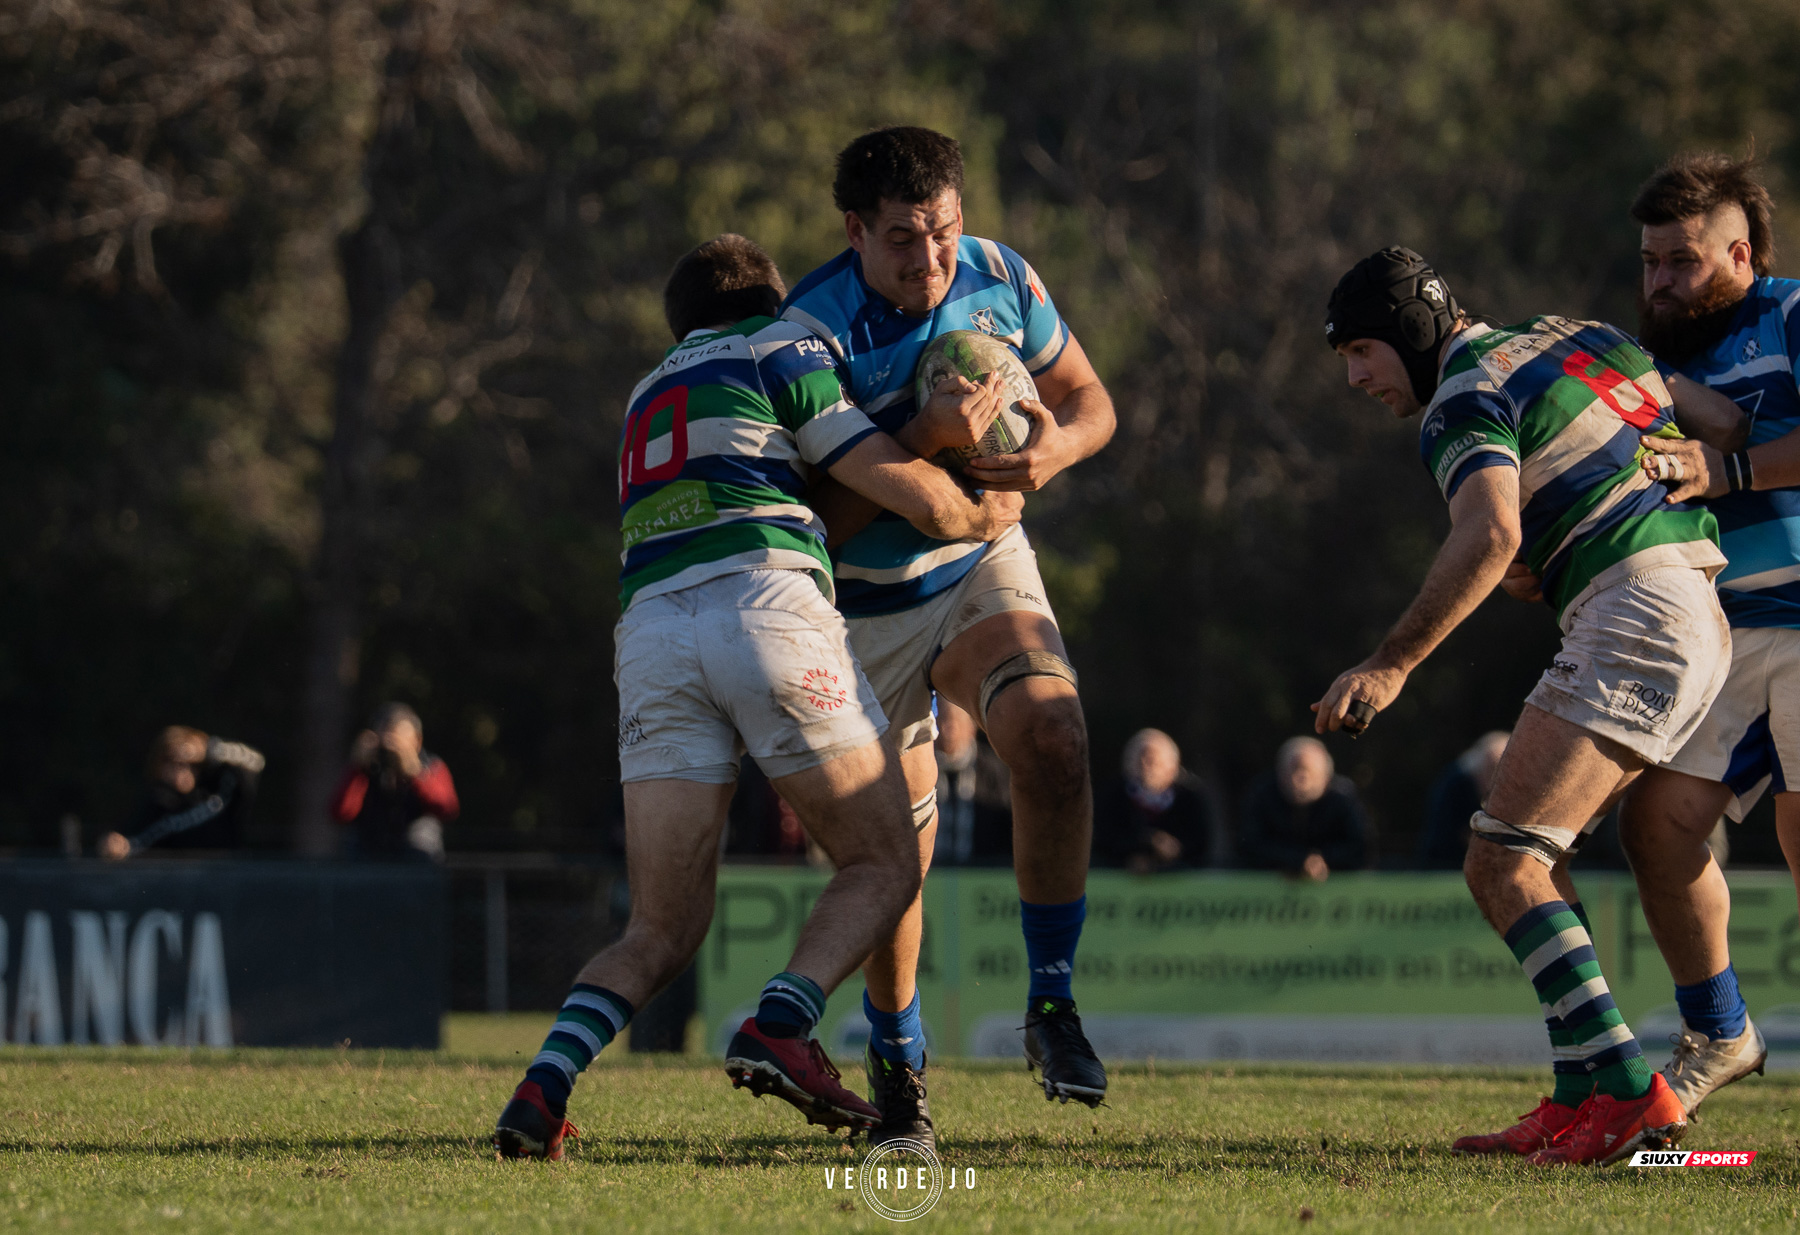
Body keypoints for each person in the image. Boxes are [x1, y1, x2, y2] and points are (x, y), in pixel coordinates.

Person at [492, 233, 1022, 1159]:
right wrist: (984, 508)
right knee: (887, 859)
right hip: (764, 602)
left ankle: (544, 1086)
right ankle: (784, 1018)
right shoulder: (784, 345)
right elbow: (887, 485)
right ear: (772, 301)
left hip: (651, 630)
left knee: (659, 925)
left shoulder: (647, 387)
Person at [1318, 246, 1744, 1165]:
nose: (1355, 377)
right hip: (1693, 602)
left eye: (1361, 351)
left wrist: (1390, 665)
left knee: (1501, 859)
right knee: (1528, 856)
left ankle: (1632, 1095)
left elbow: (1491, 528)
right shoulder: (1575, 333)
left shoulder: (1460, 395)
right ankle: (1579, 1091)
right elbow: (1722, 419)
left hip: (1636, 611)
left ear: (1412, 332)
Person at [782, 126, 1117, 1143]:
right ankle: (898, 1060)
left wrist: (1052, 449)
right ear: (855, 232)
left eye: (943, 232)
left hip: (979, 564)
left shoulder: (1003, 275)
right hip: (857, 615)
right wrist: (921, 440)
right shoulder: (809, 332)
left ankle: (1052, 1001)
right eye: (902, 240)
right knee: (898, 865)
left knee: (1054, 737)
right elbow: (813, 527)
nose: (930, 261)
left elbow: (1093, 402)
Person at [1603, 152, 1795, 1116]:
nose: (1660, 282)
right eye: (1648, 262)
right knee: (1656, 823)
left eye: (1681, 261)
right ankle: (1721, 1033)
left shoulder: (1794, 314)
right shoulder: (1646, 370)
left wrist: (1733, 473)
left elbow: (1731, 468)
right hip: (1720, 631)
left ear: (1742, 253)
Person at [98, 726, 264, 858]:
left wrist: (211, 748)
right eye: (174, 761)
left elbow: (255, 762)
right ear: (159, 763)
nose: (183, 769)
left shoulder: (217, 795)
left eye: (192, 763)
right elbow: (129, 840)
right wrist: (116, 846)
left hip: (223, 885)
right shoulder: (156, 803)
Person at [328, 703, 459, 861]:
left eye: (398, 740)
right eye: (386, 739)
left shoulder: (432, 766)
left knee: (422, 845)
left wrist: (414, 771)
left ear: (417, 740)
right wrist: (358, 769)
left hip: (417, 854)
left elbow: (447, 810)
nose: (392, 747)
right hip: (368, 853)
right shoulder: (364, 769)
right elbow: (340, 814)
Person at [1236, 737, 1368, 879]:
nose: (1298, 780)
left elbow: (1360, 848)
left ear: (1326, 777)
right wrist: (1297, 860)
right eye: (1292, 771)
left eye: (1307, 773)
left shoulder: (1343, 797)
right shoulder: (1261, 795)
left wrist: (1322, 860)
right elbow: (1250, 845)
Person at [1093, 728, 1222, 872]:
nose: (1145, 766)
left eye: (1153, 760)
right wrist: (1137, 850)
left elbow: (1200, 843)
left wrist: (1173, 851)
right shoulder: (1112, 796)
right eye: (1138, 758)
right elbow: (1104, 840)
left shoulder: (1191, 797)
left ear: (1172, 765)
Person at [931, 697, 1013, 866]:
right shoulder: (918, 768)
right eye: (943, 720)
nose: (949, 730)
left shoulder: (996, 772)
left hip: (983, 877)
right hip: (931, 877)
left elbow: (1008, 828)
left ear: (972, 728)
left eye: (956, 722)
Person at [1416, 731, 1509, 869]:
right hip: (1444, 865)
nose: (1496, 778)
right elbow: (1460, 836)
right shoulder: (1456, 785)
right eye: (1491, 769)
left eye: (1502, 770)